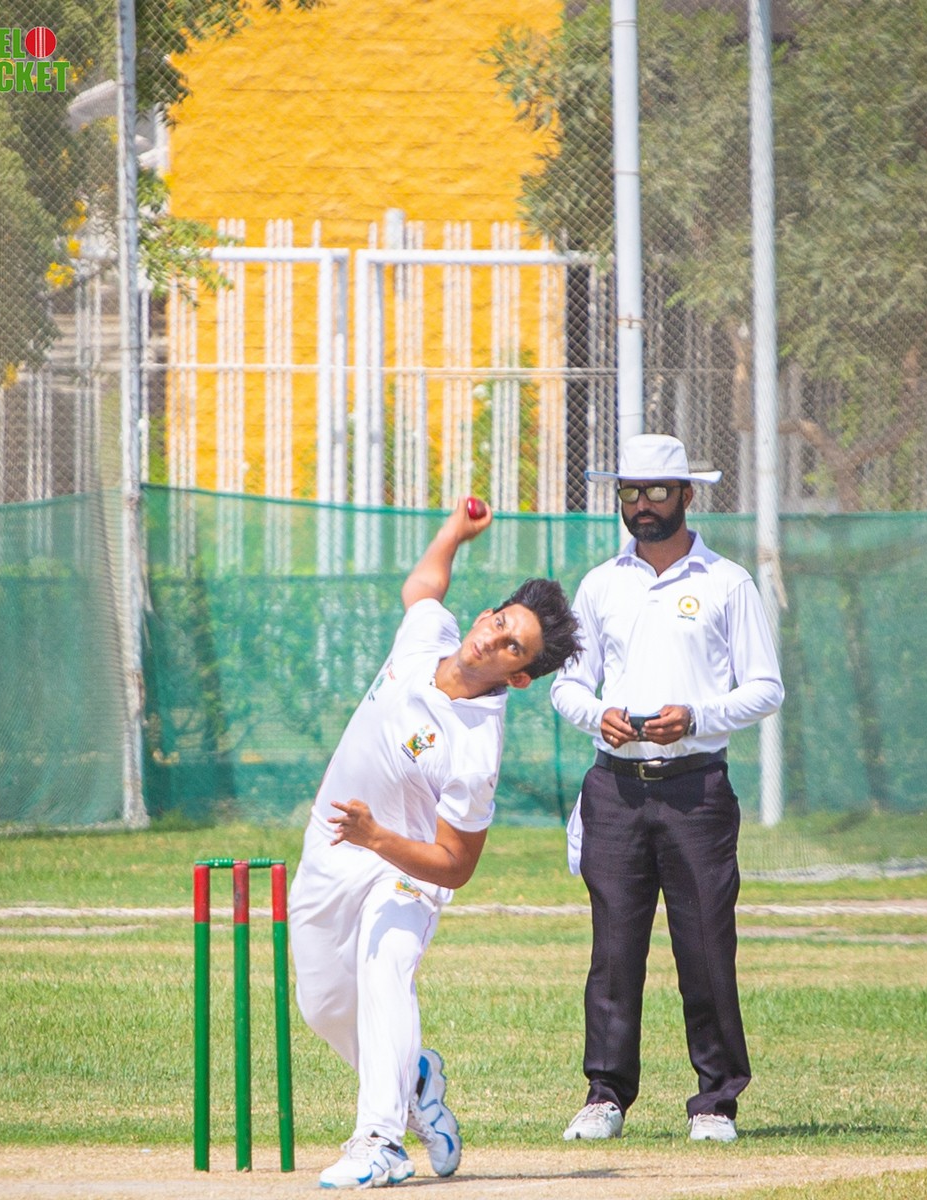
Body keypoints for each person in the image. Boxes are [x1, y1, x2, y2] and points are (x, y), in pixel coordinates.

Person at [289, 497, 582, 1189]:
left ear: (519, 676)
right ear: (485, 615)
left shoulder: (475, 750)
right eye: (501, 623)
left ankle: (380, 1143)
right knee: (322, 1005)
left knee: (384, 967)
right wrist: (454, 532)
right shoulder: (427, 638)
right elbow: (422, 588)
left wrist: (379, 838)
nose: (496, 641)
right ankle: (415, 1079)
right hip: (332, 850)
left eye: (515, 648)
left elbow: (456, 864)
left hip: (408, 868)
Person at [550, 434, 784, 1146]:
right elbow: (567, 686)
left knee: (705, 947)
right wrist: (599, 716)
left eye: (657, 491)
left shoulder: (727, 582)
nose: (642, 505)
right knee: (614, 951)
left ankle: (715, 1101)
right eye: (630, 492)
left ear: (686, 495)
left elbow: (766, 687)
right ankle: (604, 1095)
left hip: (696, 788)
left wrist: (698, 717)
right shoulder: (599, 584)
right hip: (614, 788)